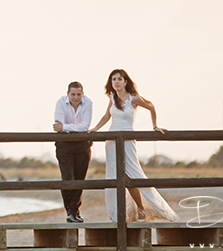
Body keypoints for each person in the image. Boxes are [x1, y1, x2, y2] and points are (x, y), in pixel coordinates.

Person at [88, 69, 179, 222]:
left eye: (119, 79)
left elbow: (151, 107)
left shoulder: (134, 99)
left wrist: (155, 126)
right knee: (115, 177)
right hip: (111, 142)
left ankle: (143, 208)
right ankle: (120, 214)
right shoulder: (112, 97)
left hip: (128, 140)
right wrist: (95, 129)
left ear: (125, 82)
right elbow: (107, 116)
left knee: (132, 174)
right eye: (113, 79)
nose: (116, 82)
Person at [53, 81, 93, 223]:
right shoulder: (60, 103)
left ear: (83, 93)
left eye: (78, 94)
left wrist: (65, 127)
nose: (76, 97)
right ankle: (70, 211)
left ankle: (74, 212)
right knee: (67, 179)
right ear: (67, 94)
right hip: (64, 145)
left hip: (82, 145)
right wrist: (68, 127)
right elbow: (58, 125)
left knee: (79, 180)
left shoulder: (88, 103)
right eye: (73, 94)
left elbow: (85, 126)